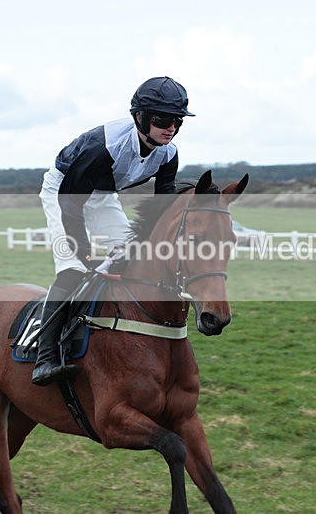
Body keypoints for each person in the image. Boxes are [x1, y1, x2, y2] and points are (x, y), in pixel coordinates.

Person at [32, 76, 195, 386]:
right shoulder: (102, 147)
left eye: (176, 120)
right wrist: (84, 254)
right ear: (140, 117)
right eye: (162, 119)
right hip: (64, 193)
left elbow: (162, 208)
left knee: (132, 256)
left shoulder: (169, 153)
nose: (170, 127)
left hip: (102, 195)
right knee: (72, 269)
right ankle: (45, 357)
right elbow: (70, 205)